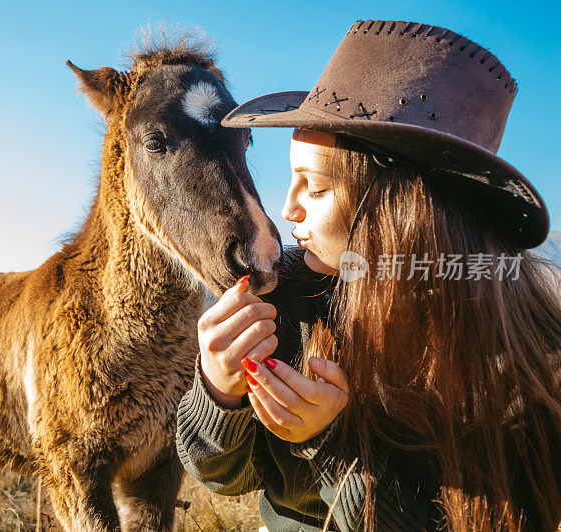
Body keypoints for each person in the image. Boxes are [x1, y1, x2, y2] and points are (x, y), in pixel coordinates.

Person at [176, 19, 561, 531]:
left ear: (399, 208)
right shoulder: (283, 298)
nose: (286, 210)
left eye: (313, 187)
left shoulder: (529, 368)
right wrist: (219, 391)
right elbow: (226, 479)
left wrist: (330, 441)